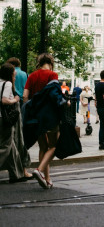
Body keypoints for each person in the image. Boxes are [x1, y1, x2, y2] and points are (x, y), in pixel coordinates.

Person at [23, 53, 62, 189]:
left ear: (39, 62)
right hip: (50, 116)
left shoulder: (32, 76)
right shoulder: (53, 75)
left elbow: (25, 96)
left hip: (36, 117)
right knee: (54, 146)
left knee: (43, 147)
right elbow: (56, 95)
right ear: (51, 63)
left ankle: (47, 179)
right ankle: (39, 170)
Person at [0, 62, 32, 183]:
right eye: (13, 75)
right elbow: (4, 100)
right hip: (5, 118)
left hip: (1, 117)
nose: (15, 77)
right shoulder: (7, 83)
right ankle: (16, 174)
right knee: (5, 146)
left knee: (12, 147)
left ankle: (16, 174)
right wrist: (15, 99)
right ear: (9, 75)